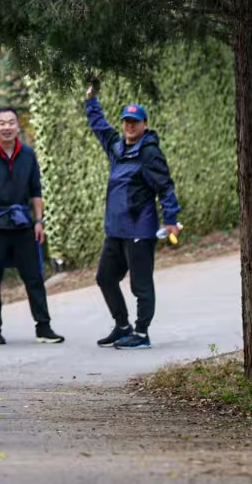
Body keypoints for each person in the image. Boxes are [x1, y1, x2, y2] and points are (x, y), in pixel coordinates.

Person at [83, 79, 182, 350]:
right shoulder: (117, 147)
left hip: (140, 229)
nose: (129, 125)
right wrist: (91, 100)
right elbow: (100, 127)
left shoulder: (150, 153)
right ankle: (123, 326)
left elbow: (165, 187)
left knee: (141, 284)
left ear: (144, 125)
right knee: (105, 277)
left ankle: (141, 334)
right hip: (115, 230)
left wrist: (171, 219)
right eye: (126, 121)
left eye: (135, 122)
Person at [0, 107, 64, 345]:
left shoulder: (28, 155)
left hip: (23, 224)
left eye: (11, 122)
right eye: (2, 123)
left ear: (17, 126)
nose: (7, 127)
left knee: (34, 277)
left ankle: (44, 327)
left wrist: (39, 221)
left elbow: (36, 190)